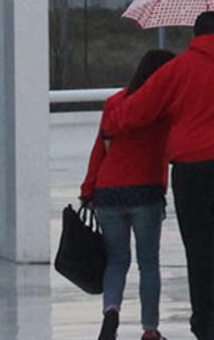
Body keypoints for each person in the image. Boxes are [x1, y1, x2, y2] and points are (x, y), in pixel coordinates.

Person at [105, 11, 214, 340]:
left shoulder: (178, 69)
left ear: (194, 37)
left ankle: (203, 326)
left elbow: (138, 108)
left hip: (193, 174)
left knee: (199, 253)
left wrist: (110, 122)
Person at [81, 48, 175, 340]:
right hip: (146, 191)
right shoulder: (164, 110)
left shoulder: (114, 103)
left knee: (116, 261)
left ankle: (111, 312)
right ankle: (150, 329)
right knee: (149, 264)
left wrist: (88, 189)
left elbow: (99, 150)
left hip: (108, 193)